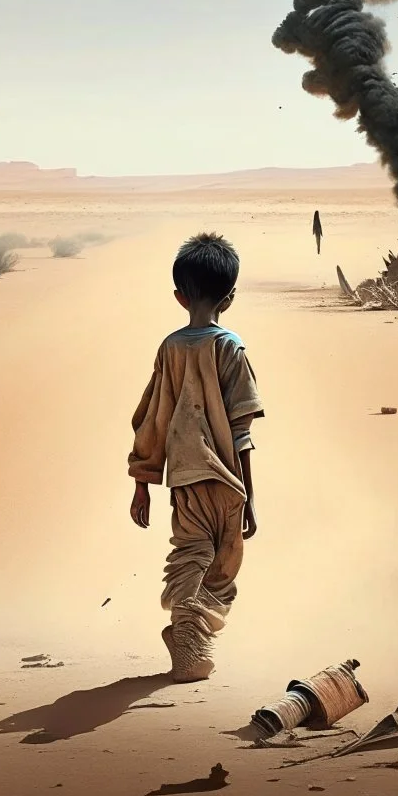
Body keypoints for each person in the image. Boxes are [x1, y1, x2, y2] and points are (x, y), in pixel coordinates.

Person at [128, 233, 264, 683]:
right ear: (230, 297)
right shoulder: (230, 348)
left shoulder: (170, 347)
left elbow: (152, 421)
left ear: (179, 296)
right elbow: (242, 430)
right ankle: (190, 636)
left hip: (184, 479)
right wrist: (251, 494)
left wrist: (142, 482)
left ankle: (187, 631)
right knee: (224, 563)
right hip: (224, 479)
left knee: (191, 554)